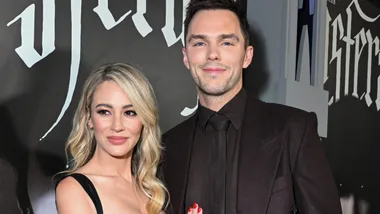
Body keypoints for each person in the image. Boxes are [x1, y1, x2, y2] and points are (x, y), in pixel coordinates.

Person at [161, 0, 342, 213]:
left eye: (226, 43)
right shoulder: (166, 147)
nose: (212, 54)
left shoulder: (294, 130)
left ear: (247, 56)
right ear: (185, 57)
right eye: (200, 43)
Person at [55, 62, 170, 214]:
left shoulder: (149, 189)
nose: (117, 126)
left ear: (144, 119)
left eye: (130, 113)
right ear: (89, 118)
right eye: (104, 112)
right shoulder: (75, 189)